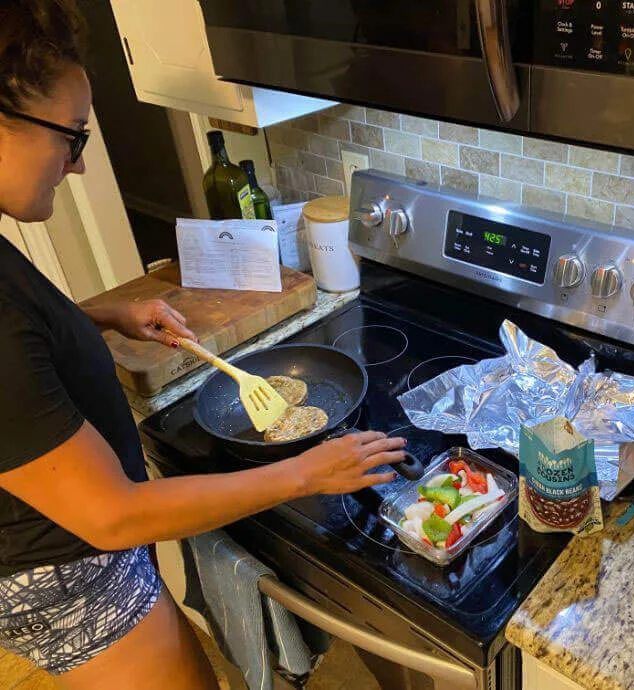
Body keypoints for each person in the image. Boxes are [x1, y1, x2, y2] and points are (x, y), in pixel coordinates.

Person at [0, 2, 404, 688]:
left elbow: (24, 334)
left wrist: (103, 314)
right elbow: (113, 514)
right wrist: (306, 473)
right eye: (70, 137)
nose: (75, 166)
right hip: (71, 581)